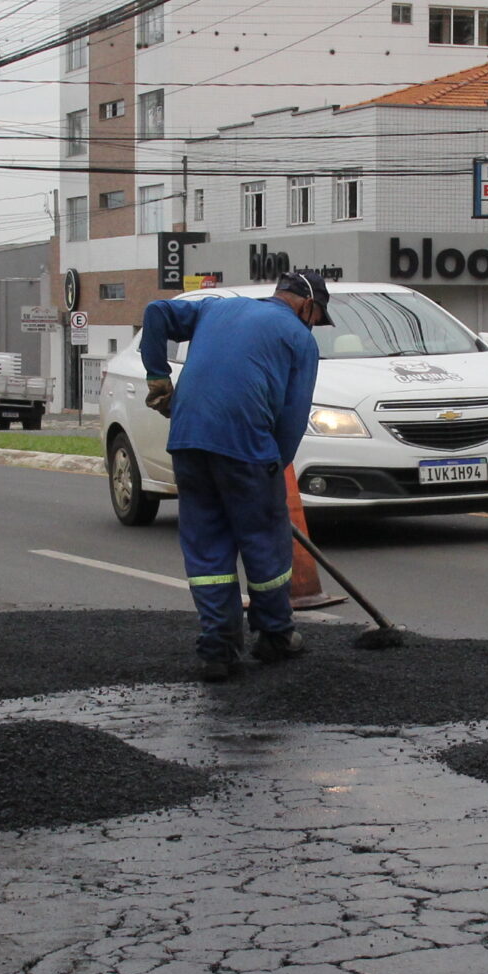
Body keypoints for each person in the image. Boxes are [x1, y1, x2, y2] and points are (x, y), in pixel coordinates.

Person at [139, 270, 327, 680]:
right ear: (307, 306)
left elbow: (155, 312)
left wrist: (157, 374)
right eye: (316, 316)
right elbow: (292, 418)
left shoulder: (215, 308)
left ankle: (217, 651)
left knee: (208, 549)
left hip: (188, 441)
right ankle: (275, 636)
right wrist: (274, 468)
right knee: (264, 543)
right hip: (246, 445)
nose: (313, 324)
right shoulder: (299, 339)